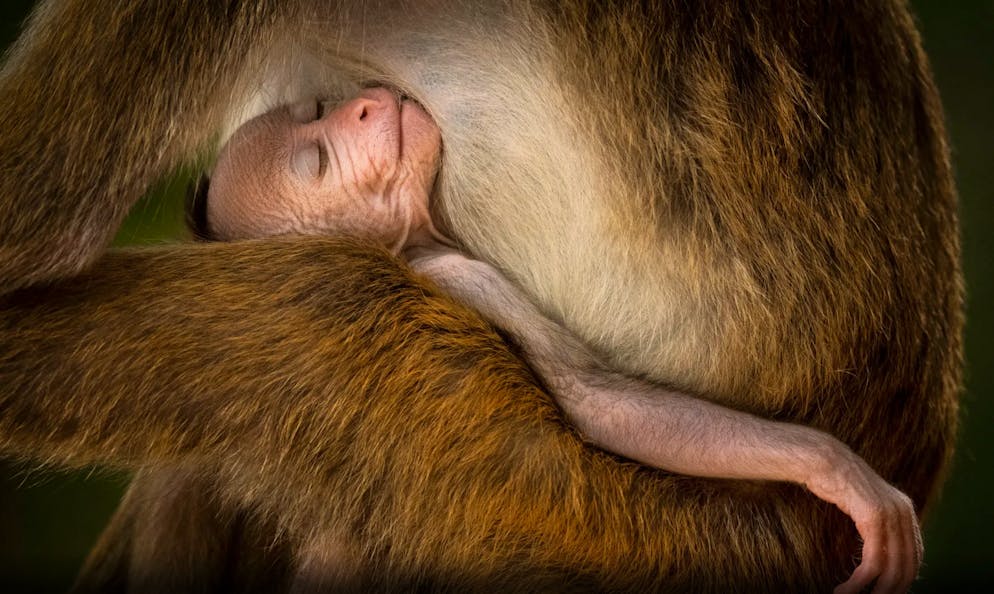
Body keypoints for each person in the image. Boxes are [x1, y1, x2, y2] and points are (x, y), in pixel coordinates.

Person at [193, 87, 920, 589]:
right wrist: (820, 462)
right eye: (318, 162)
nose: (353, 109)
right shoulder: (436, 288)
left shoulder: (444, 265)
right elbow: (599, 406)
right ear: (339, 266)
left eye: (314, 111)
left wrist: (820, 460)